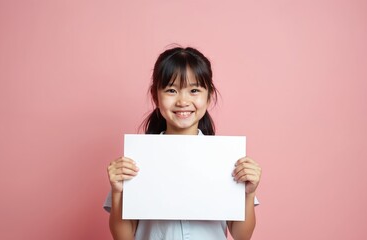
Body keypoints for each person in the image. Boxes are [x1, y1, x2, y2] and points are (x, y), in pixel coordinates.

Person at [104, 46, 262, 240]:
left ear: (209, 95)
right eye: (171, 90)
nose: (183, 101)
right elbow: (123, 237)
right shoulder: (138, 159)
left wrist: (248, 194)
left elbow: (241, 236)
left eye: (194, 90)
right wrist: (118, 192)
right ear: (156, 96)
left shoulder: (225, 159)